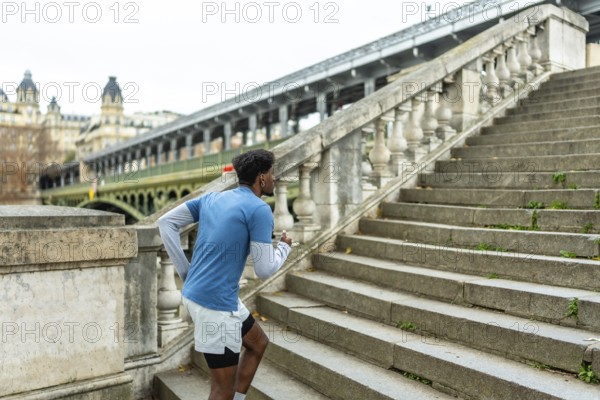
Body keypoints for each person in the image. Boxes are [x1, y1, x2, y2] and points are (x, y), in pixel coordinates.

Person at [158, 149, 292, 400]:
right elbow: (264, 269)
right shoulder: (259, 210)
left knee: (257, 343)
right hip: (216, 306)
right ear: (261, 177)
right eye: (273, 173)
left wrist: (185, 271)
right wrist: (284, 248)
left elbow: (166, 223)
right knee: (222, 391)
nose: (275, 178)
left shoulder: (211, 198)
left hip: (203, 296)